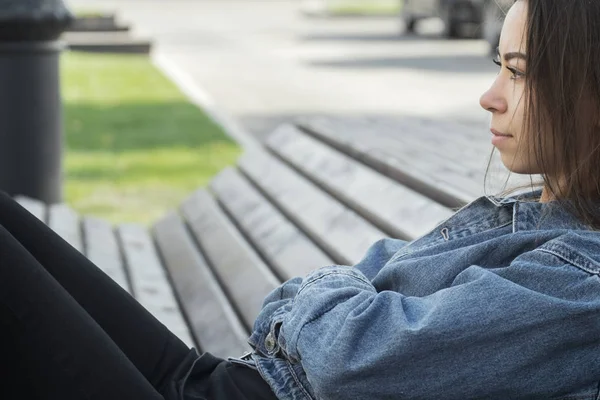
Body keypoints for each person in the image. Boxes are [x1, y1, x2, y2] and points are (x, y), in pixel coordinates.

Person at [2, 0, 600, 398]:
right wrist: (335, 309)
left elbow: (353, 354)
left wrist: (311, 309)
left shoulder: (580, 283)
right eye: (500, 66)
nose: (489, 96)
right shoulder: (525, 221)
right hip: (220, 378)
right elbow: (357, 303)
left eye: (518, 73)